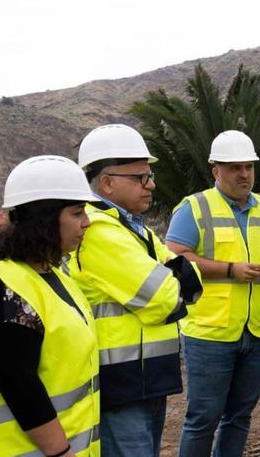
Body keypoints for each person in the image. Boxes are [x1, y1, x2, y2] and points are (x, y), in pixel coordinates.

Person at [0, 155, 100, 456]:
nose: (87, 222)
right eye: (77, 212)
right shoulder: (0, 286)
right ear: (44, 218)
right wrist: (60, 452)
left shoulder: (52, 275)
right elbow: (18, 382)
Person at [68, 124, 202, 457]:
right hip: (122, 382)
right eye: (140, 177)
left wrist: (175, 275)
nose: (151, 184)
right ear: (107, 182)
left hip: (145, 378)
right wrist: (174, 275)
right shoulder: (98, 231)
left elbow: (192, 277)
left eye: (150, 175)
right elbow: (163, 296)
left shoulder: (131, 228)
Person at [165, 130, 260, 456]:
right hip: (210, 332)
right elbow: (174, 259)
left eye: (248, 167)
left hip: (257, 330)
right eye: (234, 168)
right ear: (216, 171)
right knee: (203, 417)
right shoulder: (195, 208)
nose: (243, 174)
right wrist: (229, 269)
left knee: (240, 416)